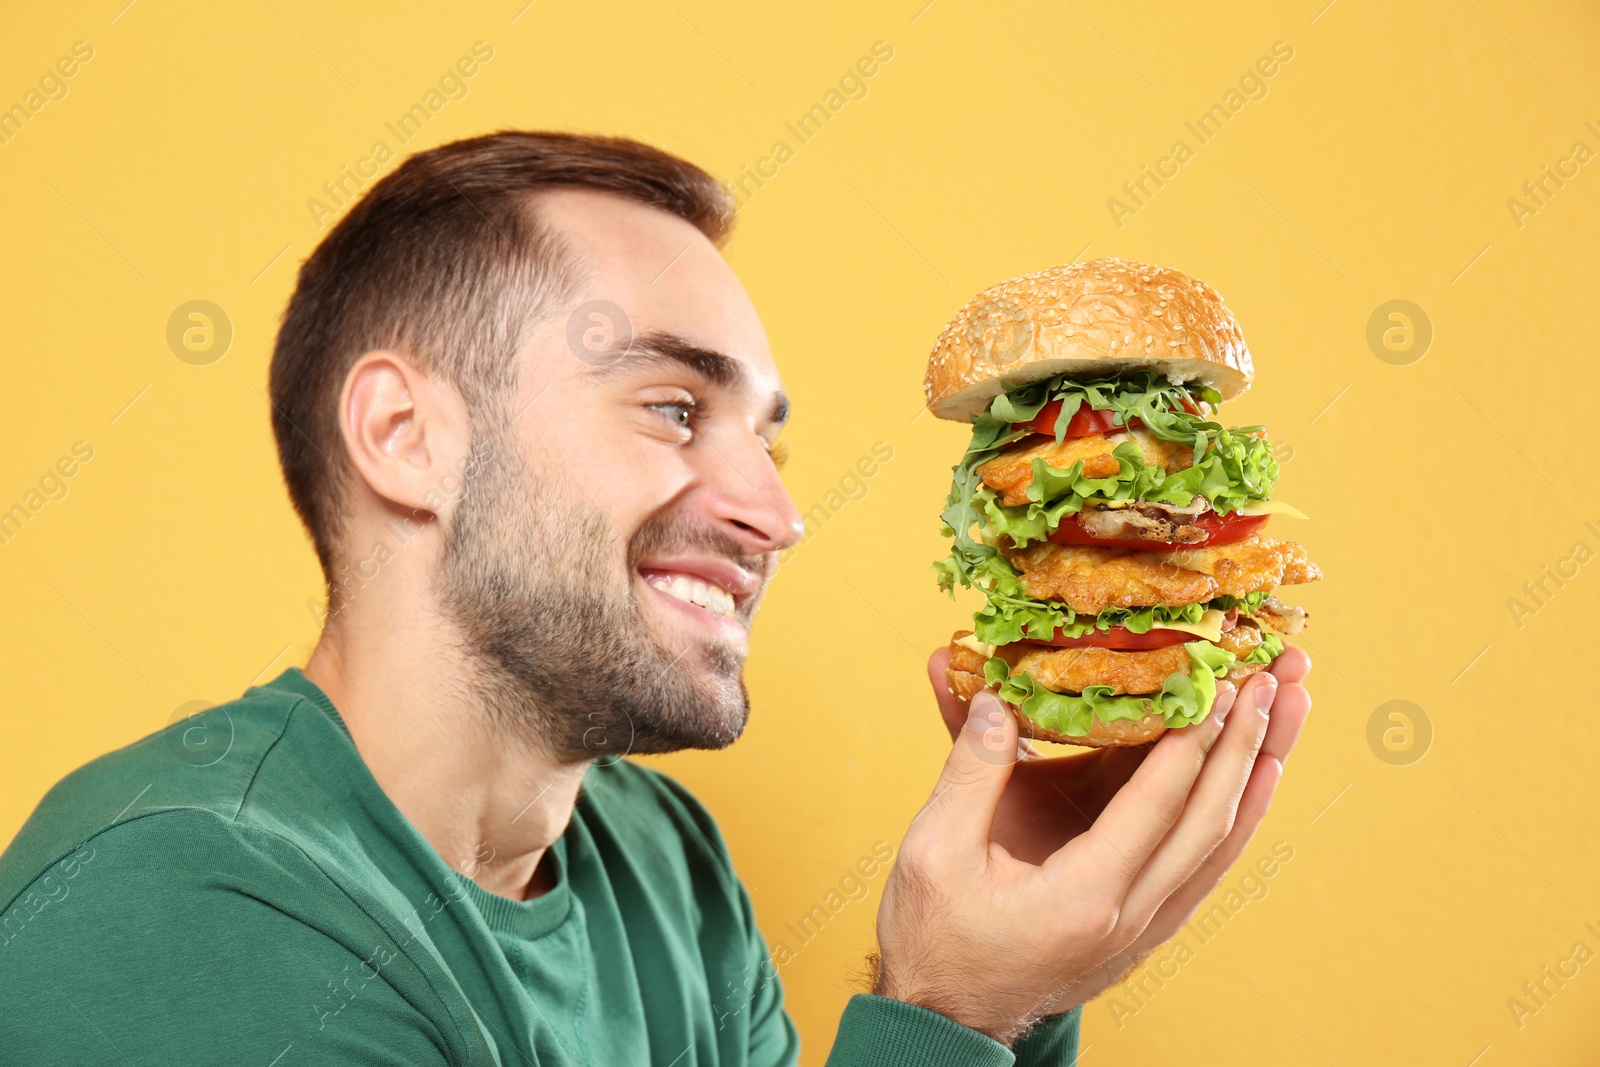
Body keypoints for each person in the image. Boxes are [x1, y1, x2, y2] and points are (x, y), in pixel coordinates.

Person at [0, 131, 1311, 1065]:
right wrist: (944, 1017)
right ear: (407, 438)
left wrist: (1016, 988)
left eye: (769, 444)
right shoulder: (178, 907)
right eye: (674, 409)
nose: (779, 517)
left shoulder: (663, 865)